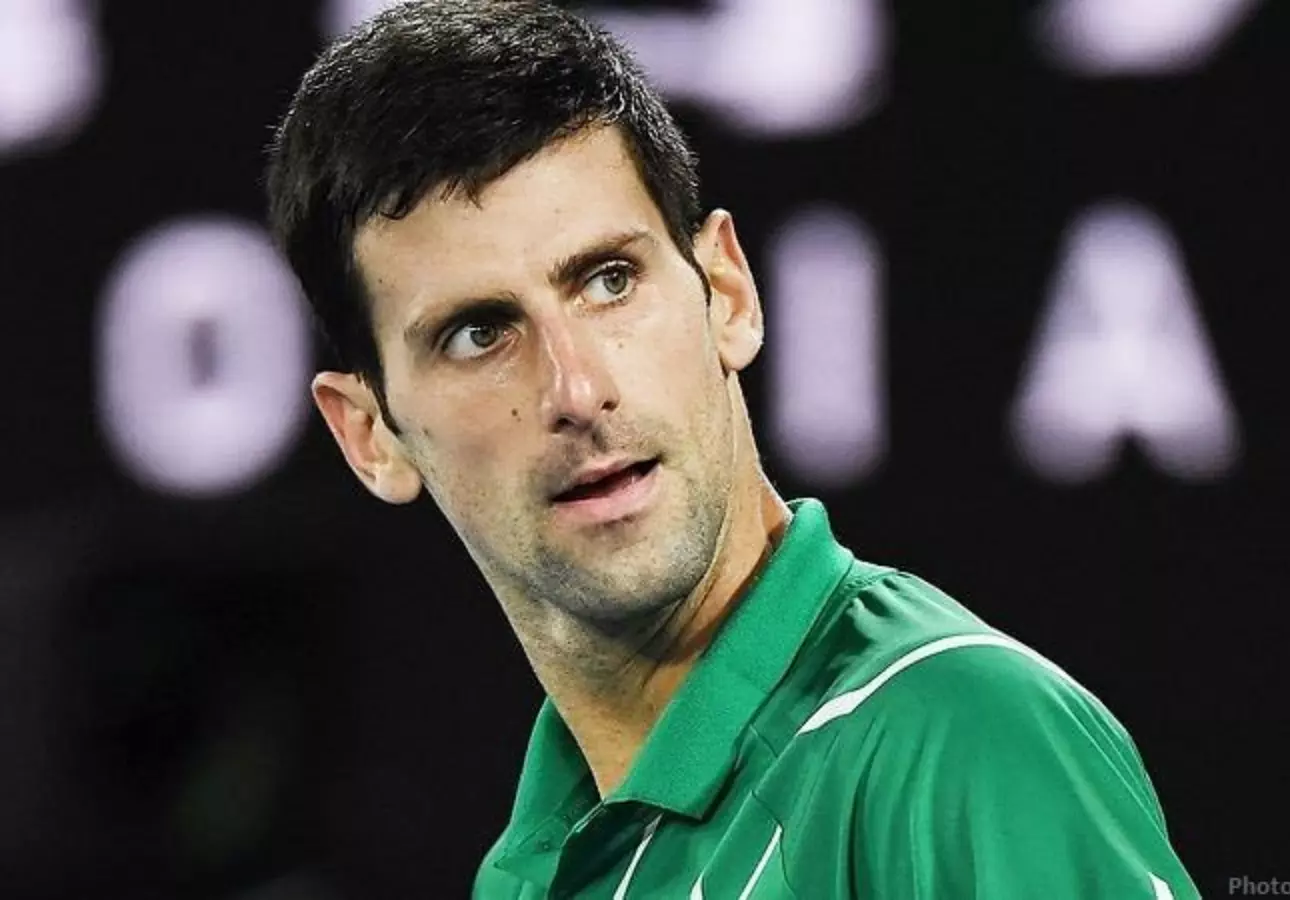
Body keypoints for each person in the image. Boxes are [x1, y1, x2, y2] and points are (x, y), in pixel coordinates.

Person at [265, 1, 1202, 897]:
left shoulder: (957, 741)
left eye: (608, 280)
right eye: (479, 334)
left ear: (727, 292)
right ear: (370, 436)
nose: (577, 390)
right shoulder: (524, 874)